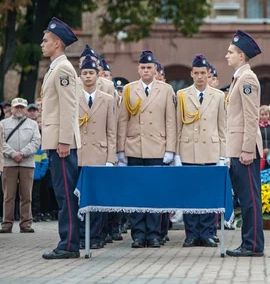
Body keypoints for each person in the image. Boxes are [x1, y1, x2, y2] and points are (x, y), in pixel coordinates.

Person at [117, 50, 176, 249]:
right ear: (138, 69)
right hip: (135, 147)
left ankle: (153, 234)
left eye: (149, 67)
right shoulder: (129, 89)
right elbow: (123, 120)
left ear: (155, 69)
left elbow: (170, 121)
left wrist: (170, 149)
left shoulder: (166, 89)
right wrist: (120, 149)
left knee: (155, 193)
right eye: (142, 67)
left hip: (157, 148)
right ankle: (138, 235)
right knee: (136, 192)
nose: (146, 71)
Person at [40, 17, 82, 259]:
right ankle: (66, 241)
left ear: (57, 43)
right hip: (56, 141)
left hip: (62, 143)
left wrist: (64, 140)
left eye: (45, 40)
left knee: (66, 195)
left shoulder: (63, 68)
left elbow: (68, 107)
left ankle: (69, 245)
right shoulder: (56, 67)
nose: (42, 44)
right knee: (61, 194)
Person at [174, 54, 227, 248]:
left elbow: (222, 127)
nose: (199, 77)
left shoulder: (219, 95)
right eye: (196, 73)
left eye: (203, 73)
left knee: (208, 194)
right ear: (191, 74)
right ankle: (191, 234)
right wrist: (177, 154)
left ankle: (207, 233)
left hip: (211, 150)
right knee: (190, 194)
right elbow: (177, 126)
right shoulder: (182, 94)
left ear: (209, 74)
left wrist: (223, 155)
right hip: (188, 150)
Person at [224, 30, 264, 257]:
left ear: (241, 55)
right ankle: (248, 242)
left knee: (249, 200)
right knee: (245, 198)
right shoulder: (239, 77)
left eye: (231, 52)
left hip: (244, 149)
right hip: (238, 148)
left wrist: (248, 149)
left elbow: (251, 116)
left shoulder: (247, 78)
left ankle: (253, 245)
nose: (227, 55)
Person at [77, 56, 117, 249]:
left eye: (91, 73)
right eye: (84, 73)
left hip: (100, 155)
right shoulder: (73, 97)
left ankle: (96, 235)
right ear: (80, 76)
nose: (88, 77)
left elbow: (111, 131)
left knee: (98, 198)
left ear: (98, 75)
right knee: (79, 197)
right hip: (79, 154)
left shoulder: (107, 99)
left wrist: (111, 158)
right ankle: (80, 234)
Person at [1, 98, 41, 234]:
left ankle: (26, 224)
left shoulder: (33, 124)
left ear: (25, 109)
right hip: (9, 163)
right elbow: (0, 142)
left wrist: (23, 153)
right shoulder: (3, 123)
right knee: (8, 196)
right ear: (11, 109)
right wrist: (12, 154)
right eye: (16, 107)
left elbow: (36, 142)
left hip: (27, 163)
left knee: (26, 195)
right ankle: (6, 224)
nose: (19, 109)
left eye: (21, 107)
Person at [32, 146, 49, 222]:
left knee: (36, 197)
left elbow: (45, 163)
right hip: (28, 177)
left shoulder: (41, 152)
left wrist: (40, 174)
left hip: (36, 178)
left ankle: (36, 214)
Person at [259, 106, 270, 170]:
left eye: (266, 114)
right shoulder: (257, 127)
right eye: (262, 115)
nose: (264, 116)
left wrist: (269, 149)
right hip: (260, 153)